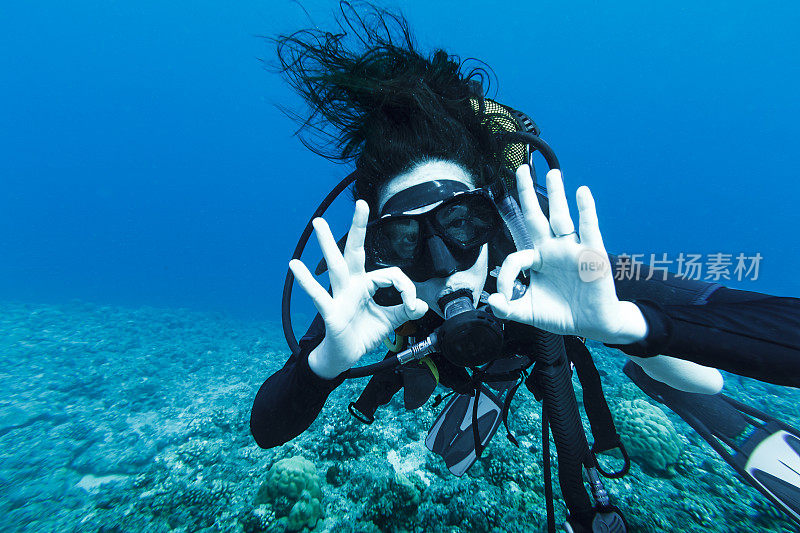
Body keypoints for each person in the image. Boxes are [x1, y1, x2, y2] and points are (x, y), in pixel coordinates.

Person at [251, 4, 800, 531]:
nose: (444, 267)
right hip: (432, 352)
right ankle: (468, 380)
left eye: (460, 224)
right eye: (405, 238)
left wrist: (628, 328)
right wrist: (321, 365)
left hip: (537, 349)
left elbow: (722, 364)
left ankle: (557, 380)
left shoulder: (553, 260)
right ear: (378, 248)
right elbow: (268, 427)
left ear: (491, 217)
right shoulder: (374, 291)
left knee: (668, 370)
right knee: (417, 379)